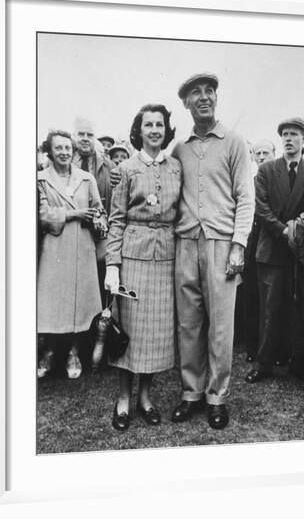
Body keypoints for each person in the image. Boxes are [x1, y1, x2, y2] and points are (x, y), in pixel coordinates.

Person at [170, 73, 254, 429]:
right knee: (189, 324)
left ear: (216, 99)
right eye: (195, 93)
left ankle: (217, 396)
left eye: (209, 92)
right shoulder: (179, 148)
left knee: (221, 327)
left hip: (222, 244)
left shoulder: (234, 142)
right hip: (186, 243)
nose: (203, 97)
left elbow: (245, 197)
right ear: (186, 103)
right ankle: (191, 393)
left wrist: (238, 244)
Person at [104, 104, 181, 431]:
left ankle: (145, 397)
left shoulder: (176, 167)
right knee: (130, 333)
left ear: (166, 130)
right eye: (148, 124)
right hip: (133, 260)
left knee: (155, 334)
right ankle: (124, 397)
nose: (154, 130)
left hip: (165, 260)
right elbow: (116, 220)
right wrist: (112, 265)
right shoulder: (127, 168)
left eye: (159, 125)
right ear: (139, 129)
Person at [37, 130, 106, 379]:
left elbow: (99, 210)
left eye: (68, 148)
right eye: (58, 148)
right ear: (50, 151)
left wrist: (98, 220)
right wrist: (74, 214)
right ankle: (50, 351)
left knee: (79, 303)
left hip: (83, 247)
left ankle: (74, 353)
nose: (64, 152)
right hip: (55, 248)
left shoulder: (86, 179)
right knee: (54, 302)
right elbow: (42, 215)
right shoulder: (40, 179)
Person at [245, 117, 304, 383]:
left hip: (303, 250)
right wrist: (285, 231)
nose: (288, 138)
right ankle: (264, 363)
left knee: (303, 307)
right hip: (272, 249)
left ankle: (300, 362)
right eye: (284, 134)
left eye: (294, 134)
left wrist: (301, 228)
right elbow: (262, 208)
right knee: (270, 310)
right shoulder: (267, 170)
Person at [72, 118, 115, 299]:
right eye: (81, 134)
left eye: (89, 135)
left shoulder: (109, 166)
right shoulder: (64, 163)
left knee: (97, 286)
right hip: (73, 234)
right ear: (74, 136)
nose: (85, 138)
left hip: (101, 238)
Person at [243, 139, 276, 362]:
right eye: (258, 153)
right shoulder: (250, 182)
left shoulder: (281, 180)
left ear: (274, 154)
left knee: (273, 299)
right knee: (251, 296)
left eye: (266, 152)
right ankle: (252, 346)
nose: (262, 156)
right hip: (252, 241)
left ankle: (273, 347)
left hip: (274, 242)